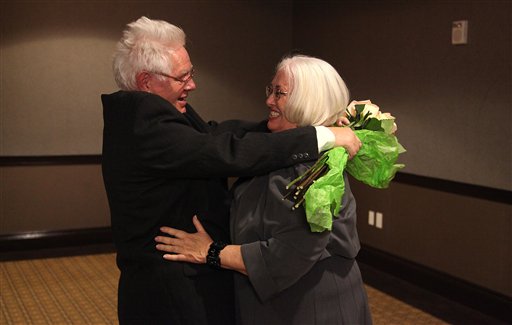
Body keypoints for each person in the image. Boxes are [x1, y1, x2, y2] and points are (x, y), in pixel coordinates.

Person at [101, 17, 361, 324]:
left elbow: (215, 135)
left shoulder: (149, 110)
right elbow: (221, 151)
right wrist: (320, 134)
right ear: (147, 81)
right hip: (170, 291)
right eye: (182, 77)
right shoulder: (142, 122)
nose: (192, 84)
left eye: (279, 94)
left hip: (310, 304)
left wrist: (295, 128)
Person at [155, 55, 372, 324]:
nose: (269, 100)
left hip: (312, 307)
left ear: (307, 100)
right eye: (271, 90)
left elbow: (287, 256)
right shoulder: (285, 152)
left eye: (279, 93)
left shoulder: (314, 170)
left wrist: (210, 251)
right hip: (284, 303)